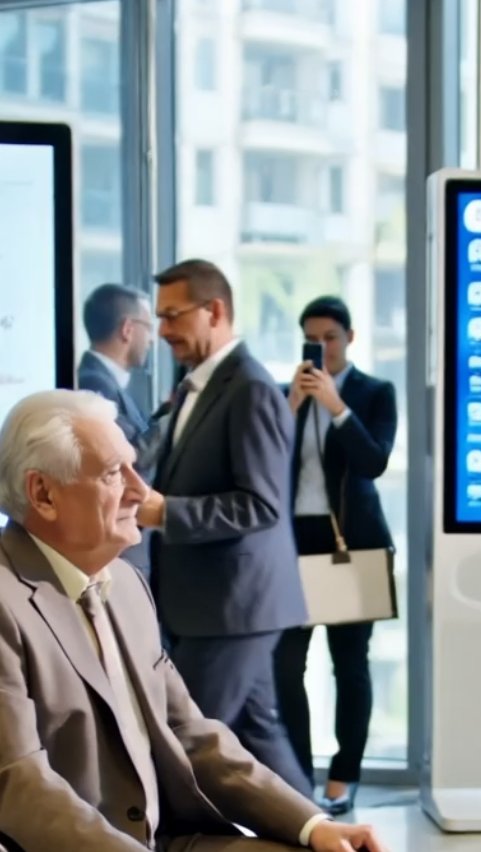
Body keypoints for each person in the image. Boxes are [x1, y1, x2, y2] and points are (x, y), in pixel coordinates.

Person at [0, 388, 388, 852]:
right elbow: (19, 782)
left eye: (133, 467)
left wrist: (313, 825)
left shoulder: (126, 584)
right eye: (113, 473)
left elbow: (190, 733)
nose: (141, 491)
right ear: (43, 494)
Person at [136, 259, 311, 797]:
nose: (163, 329)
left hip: (232, 607)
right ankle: (330, 833)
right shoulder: (200, 387)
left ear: (214, 311)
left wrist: (165, 512)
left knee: (181, 746)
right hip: (217, 605)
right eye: (159, 317)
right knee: (261, 737)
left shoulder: (250, 389)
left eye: (173, 315)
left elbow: (260, 505)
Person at [275, 296, 397, 815]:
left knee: (349, 666)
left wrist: (336, 406)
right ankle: (298, 777)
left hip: (351, 541)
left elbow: (374, 462)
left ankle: (343, 777)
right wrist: (292, 406)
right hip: (291, 543)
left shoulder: (374, 392)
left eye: (329, 337)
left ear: (350, 338)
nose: (320, 347)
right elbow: (262, 460)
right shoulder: (286, 395)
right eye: (311, 339)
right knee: (285, 666)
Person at [78, 282, 161, 578]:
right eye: (148, 327)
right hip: (117, 548)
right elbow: (130, 455)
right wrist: (178, 417)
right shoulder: (94, 383)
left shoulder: (105, 381)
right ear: (128, 329)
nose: (152, 339)